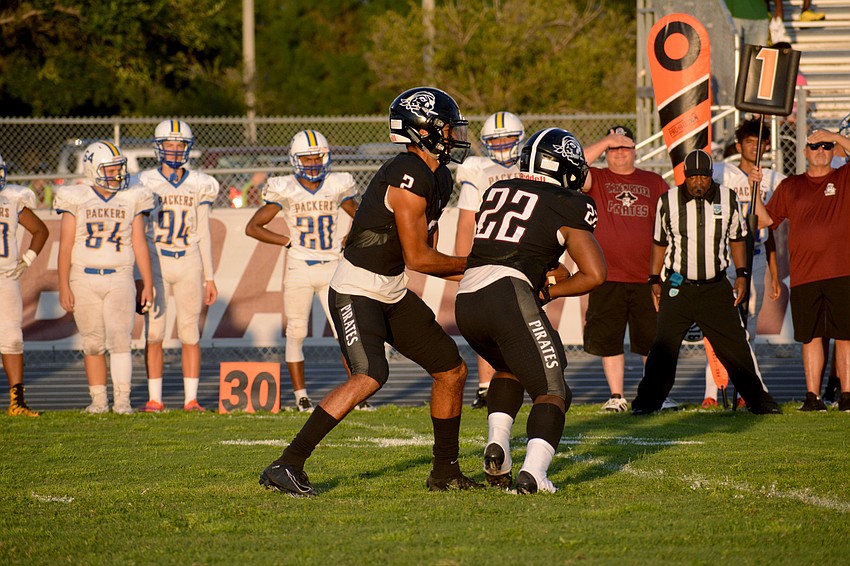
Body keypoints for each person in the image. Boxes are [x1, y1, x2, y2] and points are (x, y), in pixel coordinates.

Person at [259, 86, 478, 496]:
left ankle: (445, 472)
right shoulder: (407, 174)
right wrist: (485, 263)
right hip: (356, 289)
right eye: (447, 128)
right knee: (371, 374)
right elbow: (420, 259)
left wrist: (491, 276)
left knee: (451, 369)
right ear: (423, 131)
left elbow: (432, 255)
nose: (455, 135)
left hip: (391, 290)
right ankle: (286, 464)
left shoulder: (440, 177)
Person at [456, 128, 606, 494]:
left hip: (467, 297)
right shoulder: (568, 202)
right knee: (553, 389)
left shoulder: (499, 189)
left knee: (511, 367)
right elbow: (595, 274)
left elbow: (522, 244)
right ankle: (535, 473)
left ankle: (498, 444)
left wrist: (546, 273)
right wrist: (550, 291)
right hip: (507, 294)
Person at [632, 149, 780, 415]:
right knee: (663, 346)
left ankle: (760, 402)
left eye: (703, 177)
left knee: (736, 347)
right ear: (685, 177)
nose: (698, 182)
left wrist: (742, 275)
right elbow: (659, 242)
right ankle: (646, 404)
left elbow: (737, 238)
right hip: (678, 285)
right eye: (693, 177)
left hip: (715, 286)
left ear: (711, 176)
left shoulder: (727, 197)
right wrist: (653, 278)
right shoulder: (668, 201)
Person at [246, 130, 365, 412]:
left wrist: (349, 237)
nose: (313, 164)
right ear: (295, 160)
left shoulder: (336, 185)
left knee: (346, 332)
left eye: (317, 158)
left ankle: (358, 395)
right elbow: (253, 227)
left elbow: (362, 215)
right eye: (307, 159)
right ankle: (301, 397)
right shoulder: (285, 188)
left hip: (332, 267)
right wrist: (286, 241)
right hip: (299, 267)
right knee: (296, 331)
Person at [752, 129, 850, 412]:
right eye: (814, 146)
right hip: (805, 274)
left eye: (826, 146)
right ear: (805, 152)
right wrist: (754, 189)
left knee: (845, 335)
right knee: (810, 336)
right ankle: (812, 397)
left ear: (834, 151)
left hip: (842, 271)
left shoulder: (843, 177)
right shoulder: (791, 185)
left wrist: (834, 136)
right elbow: (764, 221)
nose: (820, 150)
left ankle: (847, 395)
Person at [55, 141, 154, 414]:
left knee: (121, 339)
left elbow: (139, 243)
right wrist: (63, 285)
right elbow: (65, 246)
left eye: (118, 169)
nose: (117, 175)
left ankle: (122, 401)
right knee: (92, 343)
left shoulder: (131, 196)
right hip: (83, 276)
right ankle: (98, 401)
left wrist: (147, 282)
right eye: (110, 170)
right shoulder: (76, 196)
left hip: (120, 274)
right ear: (93, 170)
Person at [580, 125, 668, 412]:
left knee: (651, 340)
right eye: (613, 148)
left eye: (624, 147)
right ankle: (616, 396)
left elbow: (669, 222)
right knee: (609, 340)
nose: (619, 153)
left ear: (635, 150)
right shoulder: (597, 178)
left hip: (647, 276)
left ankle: (654, 394)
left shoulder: (653, 181)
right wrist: (606, 140)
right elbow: (575, 164)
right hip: (607, 274)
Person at [135, 120, 219, 412]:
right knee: (154, 333)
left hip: (188, 259)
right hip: (156, 259)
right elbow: (137, 233)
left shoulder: (199, 183)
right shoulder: (144, 181)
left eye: (179, 144)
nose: (174, 150)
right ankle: (154, 399)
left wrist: (210, 277)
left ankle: (190, 399)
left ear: (187, 147)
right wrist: (139, 275)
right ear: (159, 147)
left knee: (189, 332)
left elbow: (204, 232)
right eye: (169, 145)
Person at [702, 119, 786, 407]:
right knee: (721, 324)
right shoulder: (721, 172)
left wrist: (774, 272)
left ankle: (741, 390)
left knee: (746, 329)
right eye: (748, 142)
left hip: (757, 255)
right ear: (738, 146)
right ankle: (713, 390)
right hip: (722, 257)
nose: (754, 148)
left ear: (767, 146)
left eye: (759, 142)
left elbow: (769, 226)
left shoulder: (773, 179)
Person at [455, 111, 525, 409]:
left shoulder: (531, 165)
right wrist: (462, 263)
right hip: (488, 253)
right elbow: (466, 222)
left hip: (524, 254)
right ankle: (485, 386)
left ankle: (524, 379)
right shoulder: (477, 170)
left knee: (525, 322)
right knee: (488, 325)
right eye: (495, 140)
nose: (502, 144)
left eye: (508, 138)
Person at [0, 152, 49, 416]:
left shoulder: (12, 199)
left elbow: (41, 230)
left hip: (6, 277)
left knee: (12, 338)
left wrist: (28, 259)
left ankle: (17, 401)